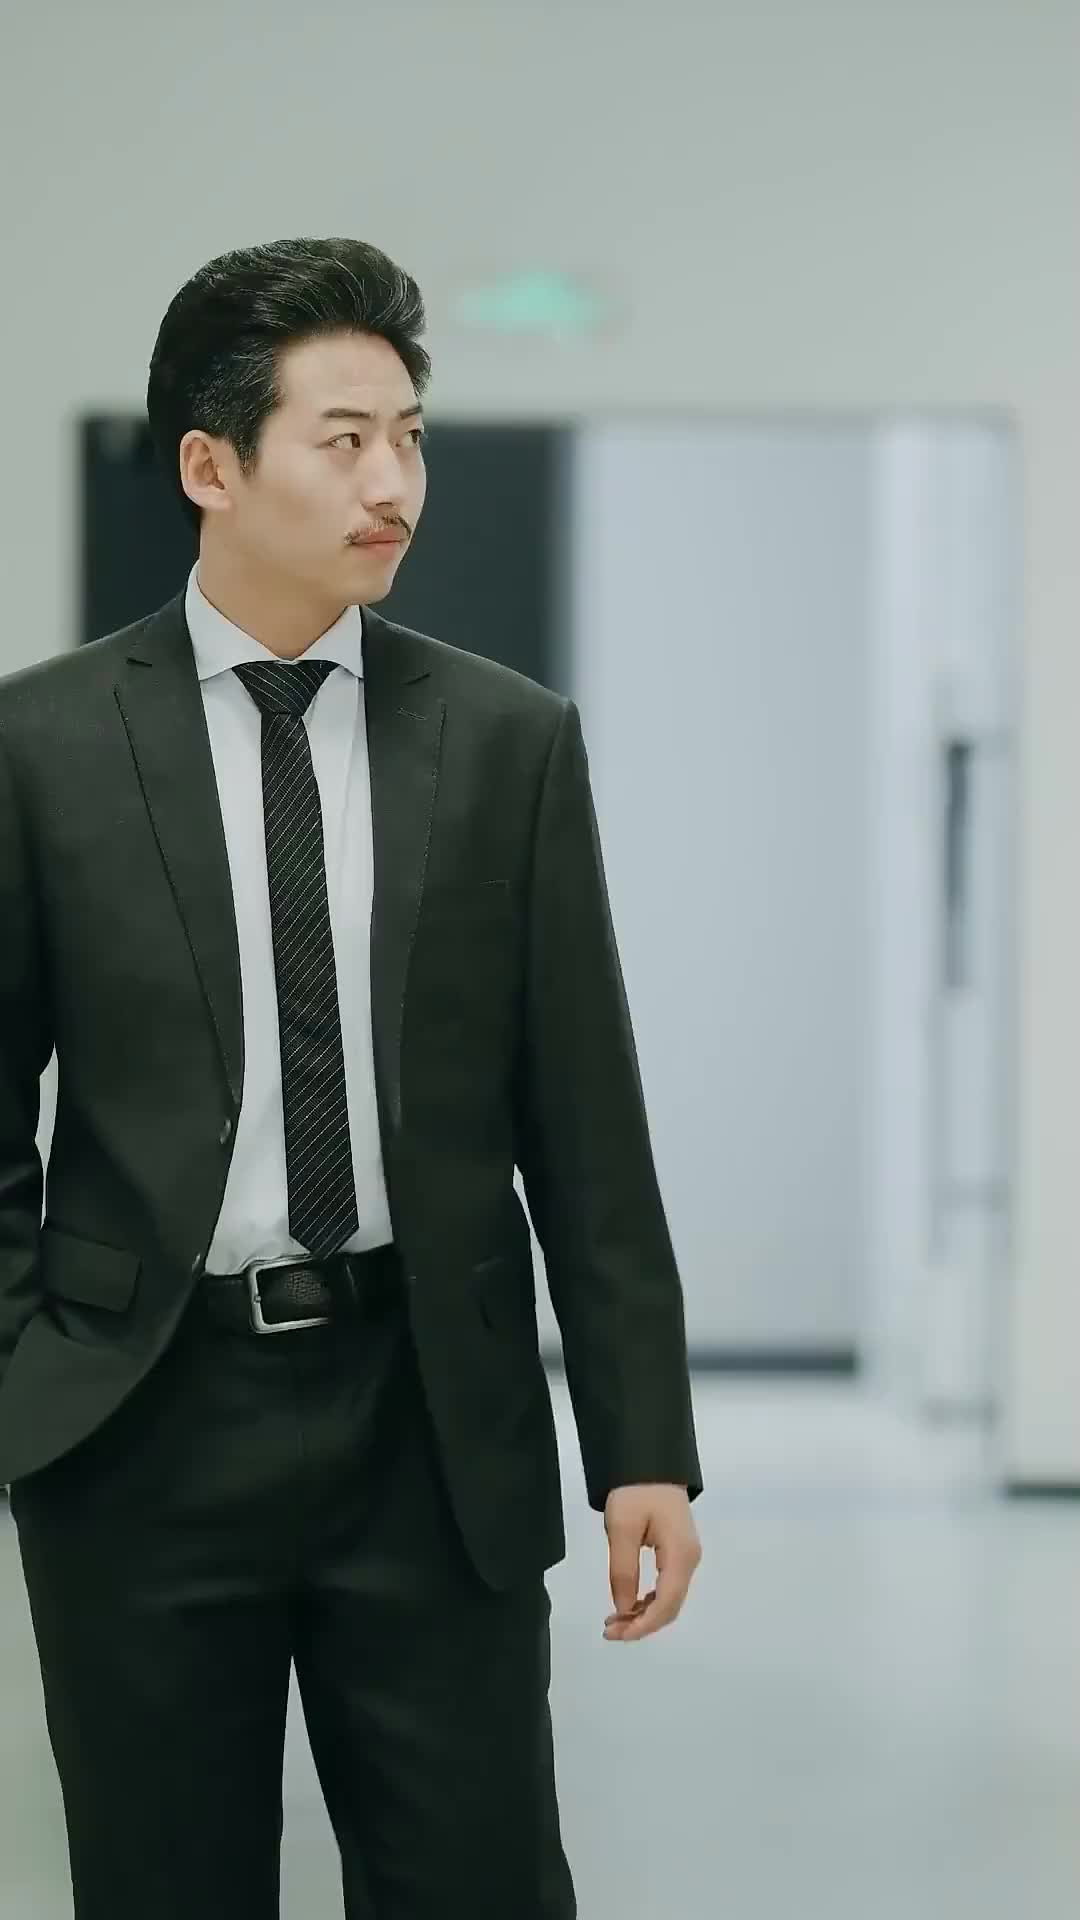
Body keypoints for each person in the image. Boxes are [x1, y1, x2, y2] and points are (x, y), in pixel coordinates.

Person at [0, 236, 703, 1918]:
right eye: (344, 441)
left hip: (430, 1422)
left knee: (479, 1885)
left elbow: (586, 1121)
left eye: (410, 437)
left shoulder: (508, 739)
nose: (394, 483)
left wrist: (643, 1446)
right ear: (211, 466)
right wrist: (30, 1374)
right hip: (142, 1426)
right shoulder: (41, 747)